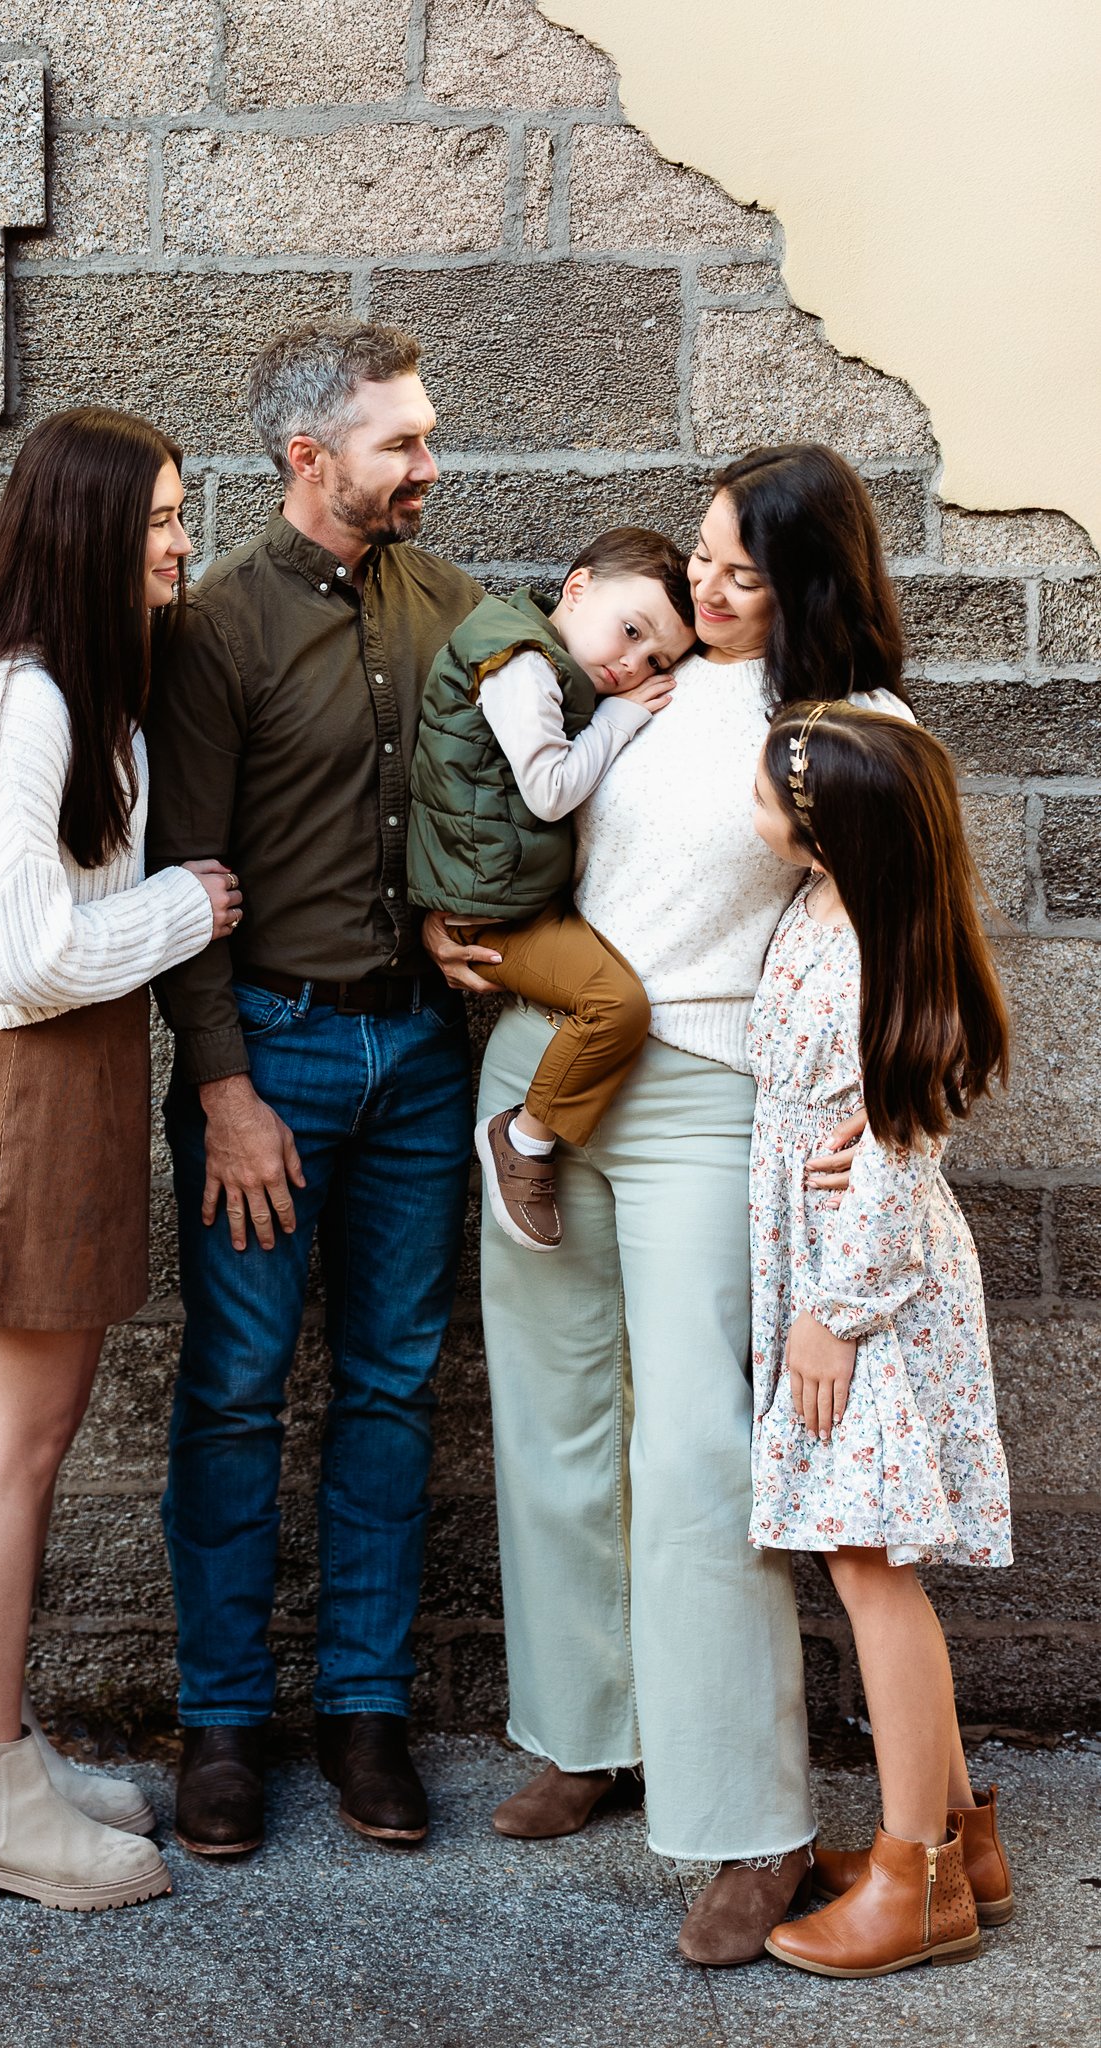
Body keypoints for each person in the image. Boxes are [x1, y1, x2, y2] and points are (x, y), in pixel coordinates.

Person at [425, 442, 916, 1965]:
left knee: (700, 1446)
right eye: (700, 554)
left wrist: (896, 1112)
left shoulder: (853, 726)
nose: (701, 587)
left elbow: (917, 945)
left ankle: (749, 1823)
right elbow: (518, 826)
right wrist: (460, 930)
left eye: (740, 573)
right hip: (538, 1065)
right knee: (552, 1415)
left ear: (809, 585)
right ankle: (589, 1731)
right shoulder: (637, 679)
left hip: (707, 1091)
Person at [144, 320, 485, 1858]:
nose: (429, 465)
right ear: (308, 459)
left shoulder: (453, 607)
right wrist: (224, 1090)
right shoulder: (216, 630)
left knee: (392, 1390)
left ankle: (365, 1713)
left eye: (425, 436)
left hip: (419, 1059)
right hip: (269, 1058)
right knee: (232, 1390)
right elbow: (183, 877)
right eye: (401, 442)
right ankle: (220, 1723)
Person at [0, 405, 241, 1911]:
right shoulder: (29, 697)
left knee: (26, 1447)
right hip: (28, 1096)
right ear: (93, 528)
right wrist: (187, 907)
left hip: (69, 1089)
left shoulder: (73, 686)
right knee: (15, 1454)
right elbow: (19, 953)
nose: (182, 541)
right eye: (161, 518)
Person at [749, 702, 1012, 1976]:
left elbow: (897, 1165)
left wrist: (831, 1315)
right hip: (833, 1273)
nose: (752, 810)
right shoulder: (822, 908)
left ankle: (915, 1879)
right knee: (862, 1553)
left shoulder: (879, 960)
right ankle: (963, 1842)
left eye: (769, 795)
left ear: (829, 831)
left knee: (868, 1561)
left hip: (868, 1299)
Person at [408, 528, 695, 1251]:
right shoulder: (520, 664)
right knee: (616, 1007)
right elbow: (549, 789)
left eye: (655, 662)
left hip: (510, 893)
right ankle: (523, 1141)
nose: (631, 665)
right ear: (578, 587)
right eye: (631, 631)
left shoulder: (537, 654)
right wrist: (621, 718)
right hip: (492, 911)